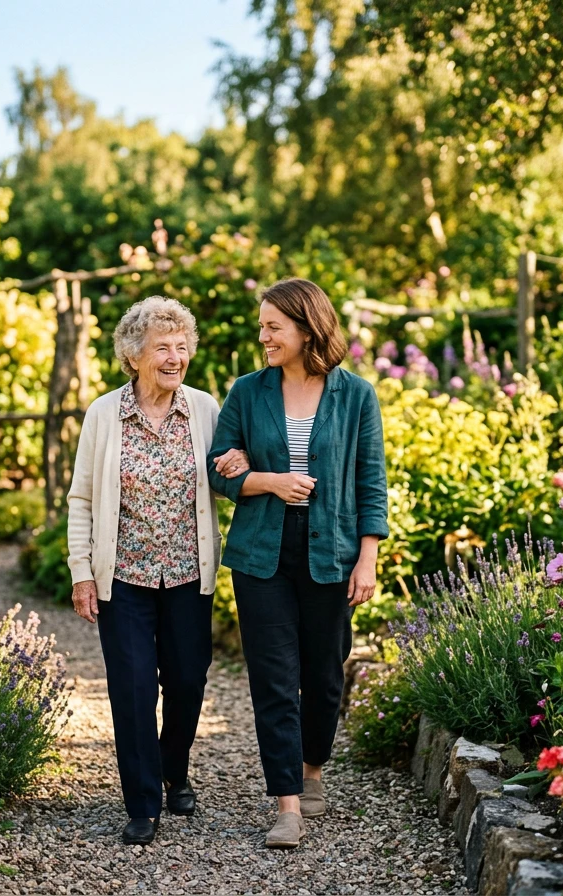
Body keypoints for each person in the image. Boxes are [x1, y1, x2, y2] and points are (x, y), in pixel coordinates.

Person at [208, 278, 389, 848]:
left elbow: (371, 481)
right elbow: (219, 469)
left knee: (325, 673)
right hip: (261, 554)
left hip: (331, 551)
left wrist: (369, 558)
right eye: (262, 325)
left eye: (272, 327)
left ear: (307, 328)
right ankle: (287, 804)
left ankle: (313, 770)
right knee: (274, 678)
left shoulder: (356, 395)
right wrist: (265, 480)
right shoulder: (247, 391)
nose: (262, 336)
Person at [66, 296, 222, 846]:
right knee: (132, 688)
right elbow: (82, 497)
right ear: (134, 355)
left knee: (186, 681)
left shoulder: (205, 410)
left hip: (187, 573)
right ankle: (142, 801)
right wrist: (82, 571)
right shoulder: (104, 415)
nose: (175, 357)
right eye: (163, 347)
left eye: (182, 346)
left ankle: (173, 770)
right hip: (124, 576)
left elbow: (229, 470)